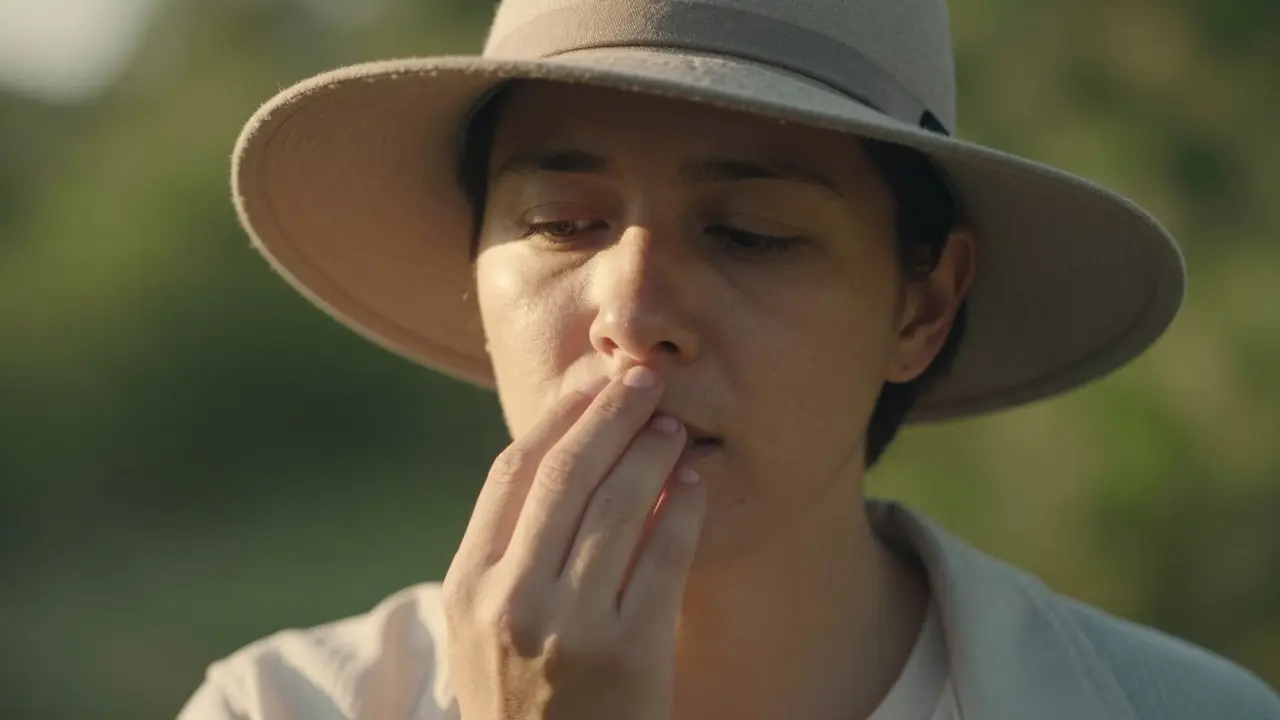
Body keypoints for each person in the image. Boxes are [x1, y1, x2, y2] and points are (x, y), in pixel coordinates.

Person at [178, 0, 1279, 718]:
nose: (635, 312)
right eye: (561, 223)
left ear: (921, 304)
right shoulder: (282, 706)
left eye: (751, 233)